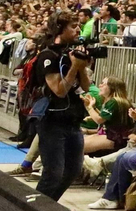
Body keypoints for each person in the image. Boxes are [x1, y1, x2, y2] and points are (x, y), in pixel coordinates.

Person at [25, 11, 92, 200]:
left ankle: (49, 207)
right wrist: (74, 67)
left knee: (72, 171)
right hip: (52, 121)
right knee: (53, 173)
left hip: (73, 120)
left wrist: (81, 66)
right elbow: (59, 90)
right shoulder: (48, 55)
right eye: (73, 26)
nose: (78, 30)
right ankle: (34, 209)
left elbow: (86, 87)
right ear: (59, 29)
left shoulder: (72, 54)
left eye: (79, 26)